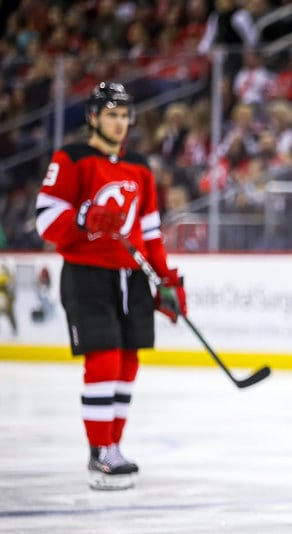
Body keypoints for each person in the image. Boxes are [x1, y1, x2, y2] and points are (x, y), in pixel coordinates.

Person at [34, 82, 187, 491]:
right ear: (93, 117)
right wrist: (83, 218)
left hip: (132, 276)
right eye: (112, 115)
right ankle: (99, 451)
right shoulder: (72, 159)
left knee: (128, 361)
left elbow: (150, 231)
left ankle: (113, 447)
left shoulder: (139, 166)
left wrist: (165, 278)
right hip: (87, 274)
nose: (120, 123)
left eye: (124, 116)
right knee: (102, 358)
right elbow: (46, 221)